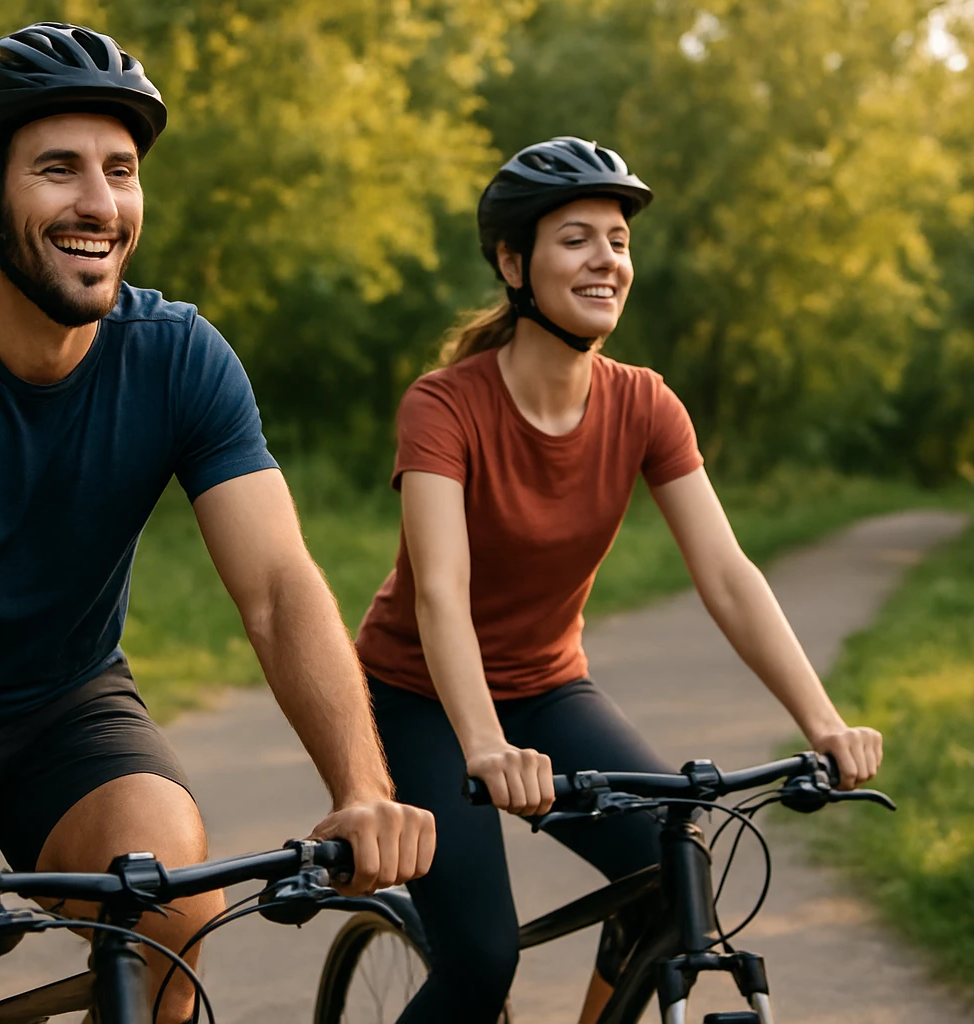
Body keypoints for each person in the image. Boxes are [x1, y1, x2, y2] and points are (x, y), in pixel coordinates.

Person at [0, 23, 434, 1024]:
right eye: (59, 169)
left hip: (63, 710)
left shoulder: (180, 357)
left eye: (120, 171)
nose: (99, 203)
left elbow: (280, 589)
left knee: (170, 900)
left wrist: (362, 786)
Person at [353, 136, 884, 1024]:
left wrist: (823, 723)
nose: (607, 259)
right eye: (577, 238)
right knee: (481, 959)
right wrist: (483, 746)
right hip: (422, 701)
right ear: (513, 263)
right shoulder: (444, 404)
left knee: (673, 875)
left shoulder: (645, 402)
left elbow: (726, 575)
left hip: (549, 689)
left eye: (619, 239)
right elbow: (441, 590)